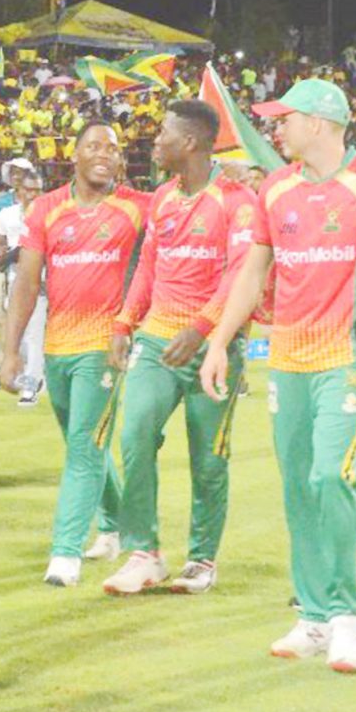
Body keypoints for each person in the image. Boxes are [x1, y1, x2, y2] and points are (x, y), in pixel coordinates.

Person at [199, 79, 356, 672]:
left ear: (319, 123)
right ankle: (314, 620)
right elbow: (252, 275)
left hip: (347, 358)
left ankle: (347, 619)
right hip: (288, 360)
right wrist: (219, 342)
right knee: (299, 487)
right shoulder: (275, 189)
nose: (277, 129)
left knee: (332, 476)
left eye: (286, 118)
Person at [104, 101, 258, 596]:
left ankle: (202, 559)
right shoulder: (162, 199)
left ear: (189, 142)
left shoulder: (236, 201)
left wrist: (203, 326)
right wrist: (125, 321)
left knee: (208, 459)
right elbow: (148, 266)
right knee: (135, 432)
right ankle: (144, 553)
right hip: (156, 339)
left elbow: (240, 274)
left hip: (214, 347)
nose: (154, 141)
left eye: (162, 133)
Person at [0, 121, 148, 585]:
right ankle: (117, 524)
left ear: (121, 161)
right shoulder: (45, 210)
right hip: (57, 348)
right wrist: (11, 352)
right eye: (93, 146)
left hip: (105, 348)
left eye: (112, 147)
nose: (103, 153)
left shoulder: (138, 208)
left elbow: (189, 203)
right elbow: (26, 283)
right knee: (84, 443)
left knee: (85, 446)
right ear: (75, 155)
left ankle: (65, 553)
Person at [0, 170, 47, 406]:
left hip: (40, 282)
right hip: (13, 281)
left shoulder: (48, 216)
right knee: (20, 336)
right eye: (29, 190)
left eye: (37, 190)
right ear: (19, 191)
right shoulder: (6, 215)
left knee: (34, 335)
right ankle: (29, 375)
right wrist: (5, 255)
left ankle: (30, 388)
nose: (33, 194)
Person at [0, 157, 35, 383]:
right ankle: (1, 365)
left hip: (34, 270)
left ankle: (30, 367)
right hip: (7, 267)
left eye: (21, 172)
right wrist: (4, 254)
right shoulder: (2, 202)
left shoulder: (39, 202)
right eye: (13, 172)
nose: (16, 176)